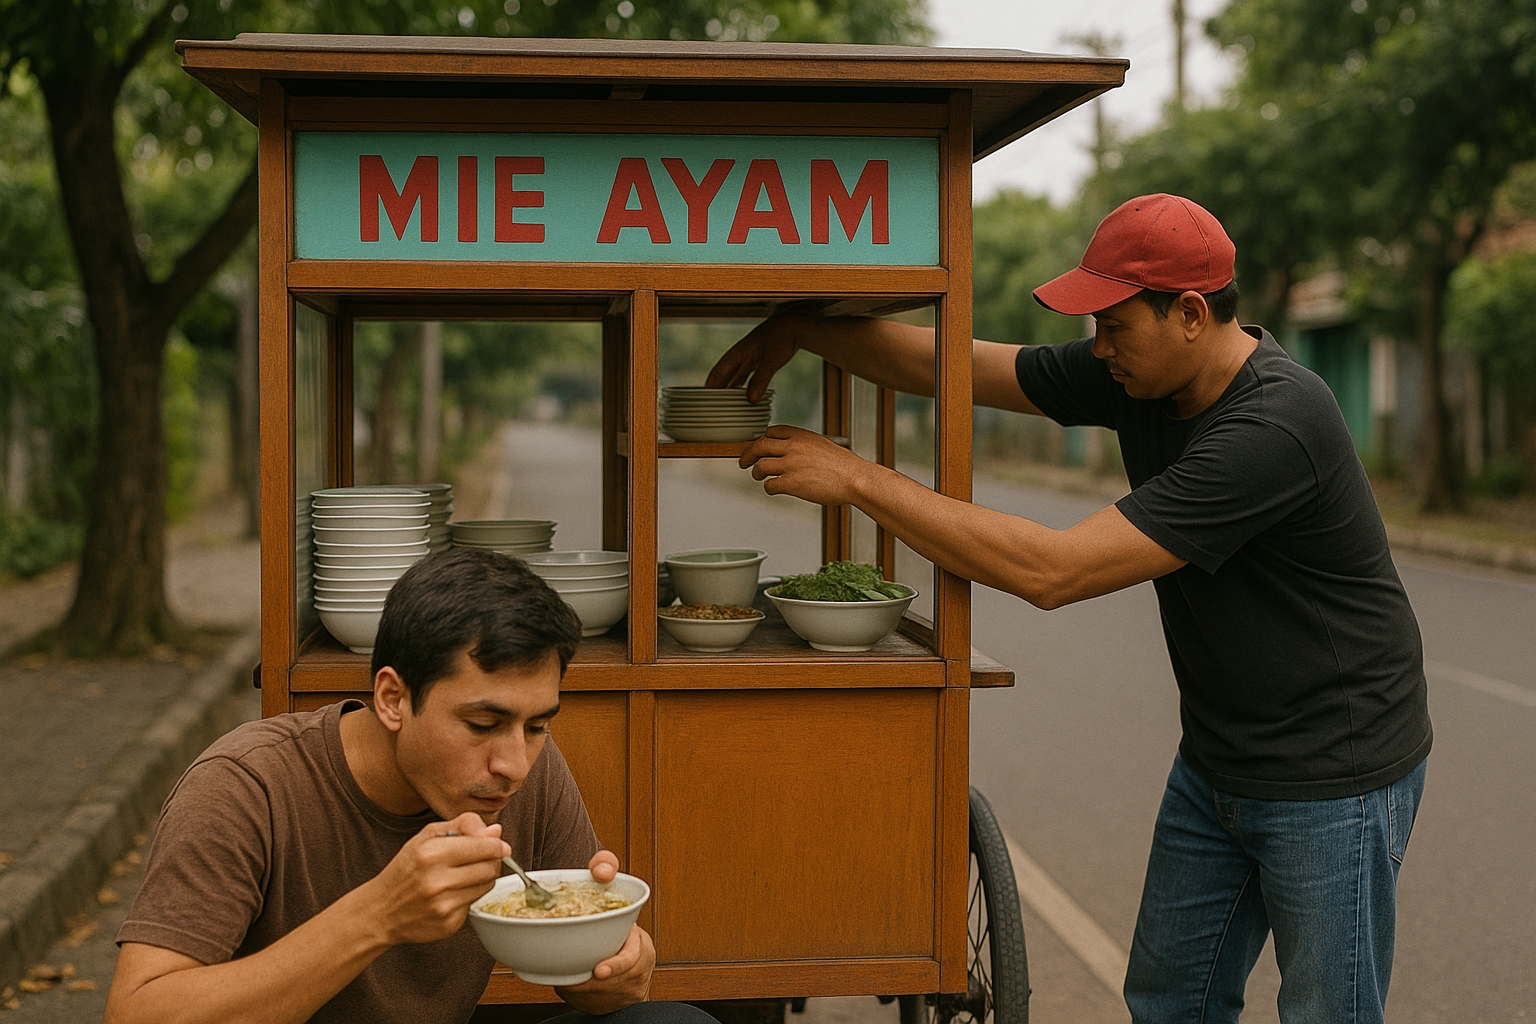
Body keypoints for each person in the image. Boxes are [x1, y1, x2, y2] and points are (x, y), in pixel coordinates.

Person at [707, 194, 1432, 1024]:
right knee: (1167, 1000)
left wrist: (860, 478)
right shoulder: (1143, 371)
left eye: (1115, 327)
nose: (1100, 348)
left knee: (1326, 1013)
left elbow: (1055, 570)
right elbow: (964, 366)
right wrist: (799, 330)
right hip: (1221, 755)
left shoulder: (1274, 426)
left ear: (1191, 314)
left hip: (1335, 771)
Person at [106, 548, 713, 1024]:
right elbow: (138, 1014)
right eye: (483, 723)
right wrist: (378, 915)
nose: (514, 763)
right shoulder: (247, 787)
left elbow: (584, 992)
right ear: (393, 698)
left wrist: (613, 968)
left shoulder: (525, 769)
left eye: (537, 725)